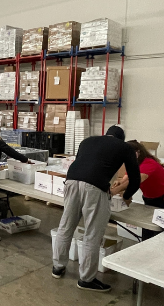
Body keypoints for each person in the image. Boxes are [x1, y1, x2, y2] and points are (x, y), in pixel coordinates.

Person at [52, 125, 140, 293]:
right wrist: (126, 195)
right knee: (92, 233)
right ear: (121, 138)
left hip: (71, 182)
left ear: (106, 134)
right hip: (94, 187)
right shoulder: (125, 147)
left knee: (66, 226)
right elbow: (135, 178)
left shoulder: (87, 141)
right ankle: (86, 279)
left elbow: (83, 164)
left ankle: (57, 267)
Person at [112, 140, 164, 209]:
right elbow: (126, 178)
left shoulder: (149, 163)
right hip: (149, 198)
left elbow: (135, 181)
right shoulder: (133, 164)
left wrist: (113, 192)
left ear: (138, 152)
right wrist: (119, 182)